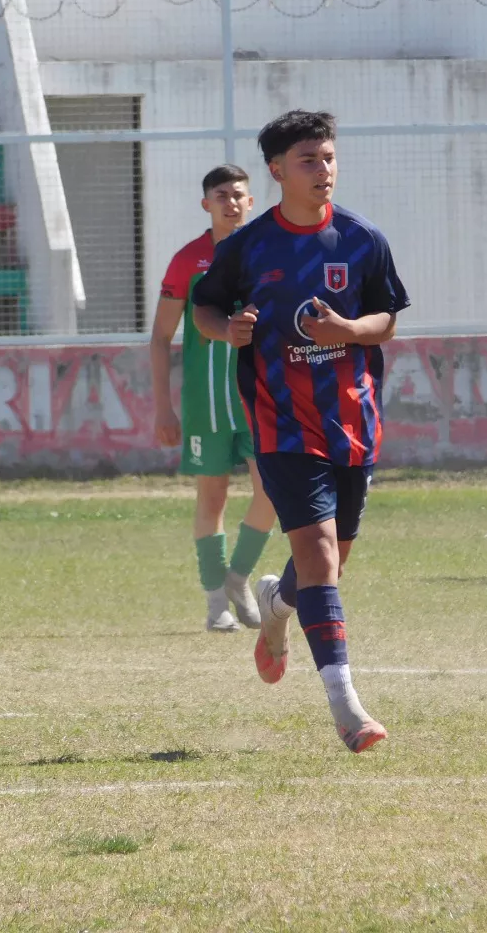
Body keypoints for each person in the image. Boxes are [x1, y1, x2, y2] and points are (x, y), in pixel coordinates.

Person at [191, 111, 409, 753]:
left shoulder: (363, 238)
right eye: (310, 160)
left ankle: (276, 609)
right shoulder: (248, 246)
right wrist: (223, 329)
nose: (325, 170)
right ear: (277, 170)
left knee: (329, 563)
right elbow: (207, 305)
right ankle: (348, 708)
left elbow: (387, 318)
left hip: (353, 424)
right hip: (281, 427)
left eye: (330, 158)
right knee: (316, 552)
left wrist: (349, 331)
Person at [151, 165, 277, 632]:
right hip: (206, 402)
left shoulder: (266, 254)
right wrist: (163, 406)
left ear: (251, 202)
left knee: (272, 492)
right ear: (206, 204)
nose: (230, 202)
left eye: (238, 194)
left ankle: (238, 576)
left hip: (259, 396)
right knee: (213, 495)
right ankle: (214, 605)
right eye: (220, 194)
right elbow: (161, 337)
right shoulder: (188, 261)